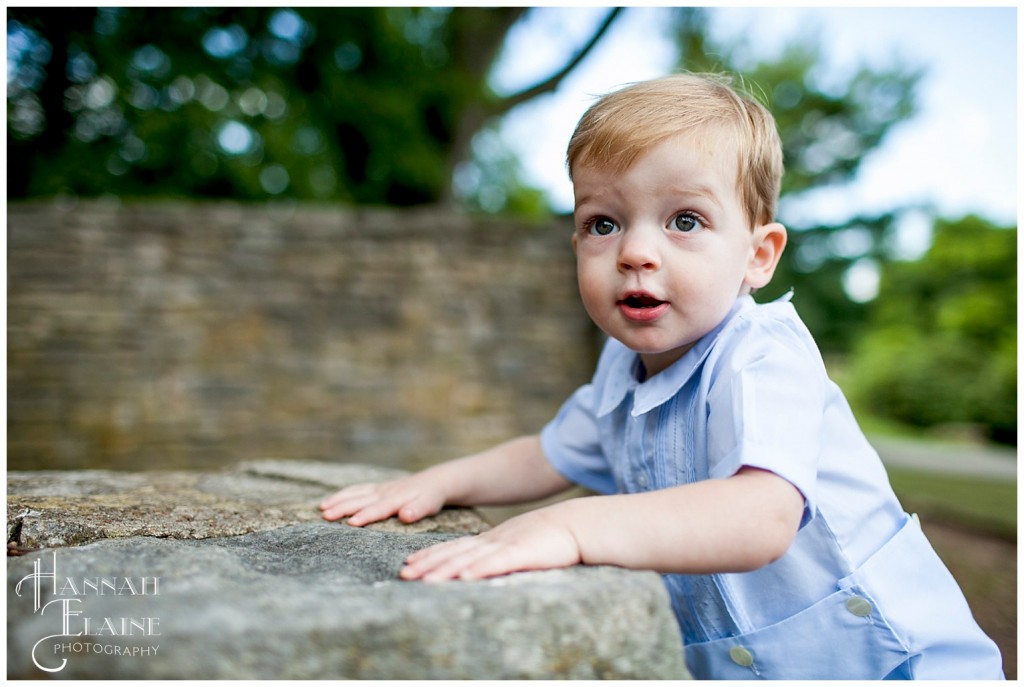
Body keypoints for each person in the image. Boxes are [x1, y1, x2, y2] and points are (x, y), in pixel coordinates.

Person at [319, 73, 1003, 680]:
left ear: (758, 255)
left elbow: (760, 517)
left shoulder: (762, 356)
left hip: (895, 664)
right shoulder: (622, 367)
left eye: (684, 220)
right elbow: (550, 452)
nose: (636, 253)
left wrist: (574, 527)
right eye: (604, 223)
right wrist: (438, 481)